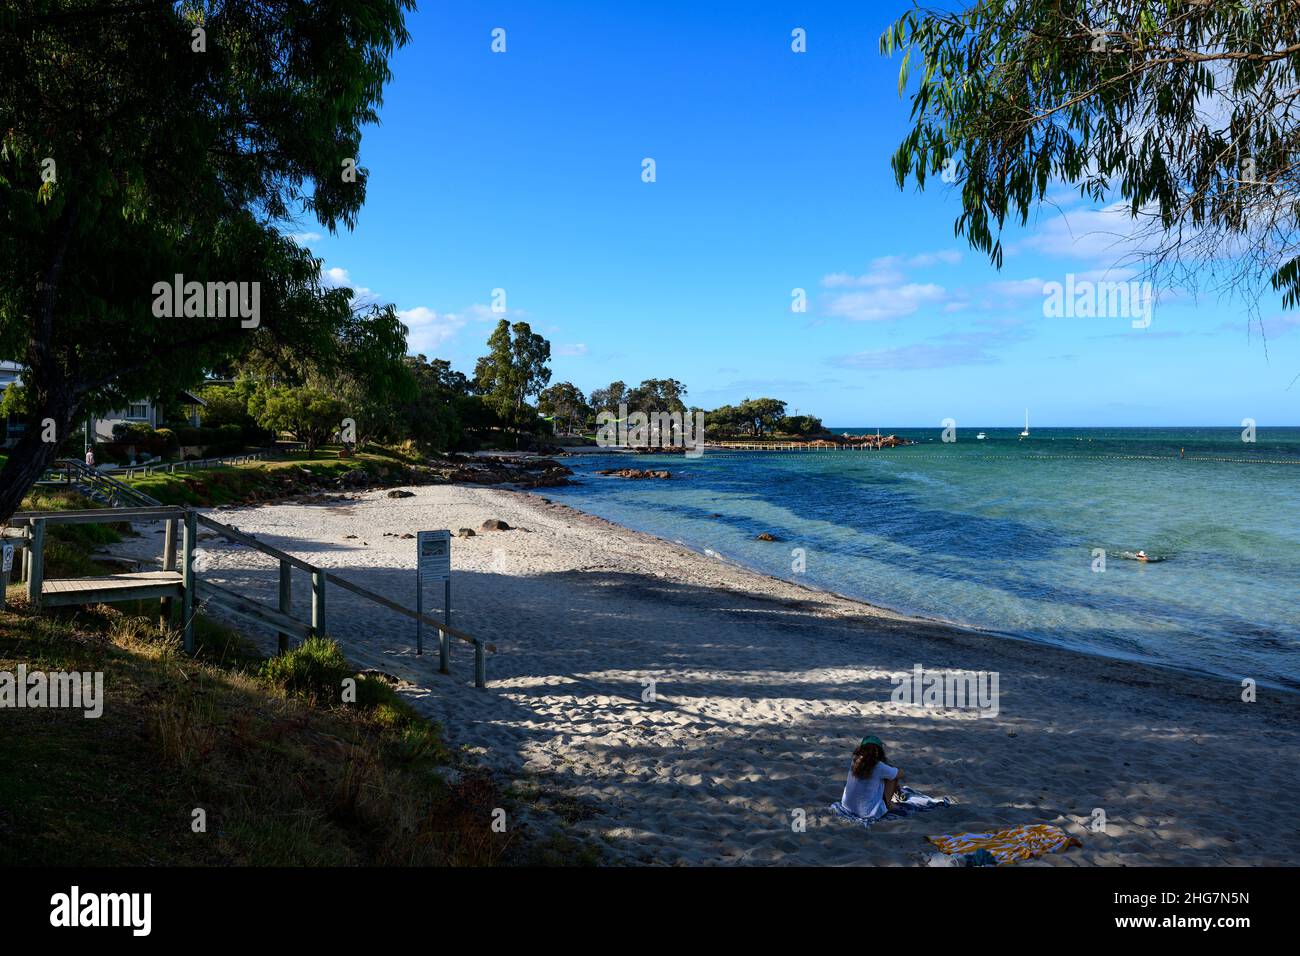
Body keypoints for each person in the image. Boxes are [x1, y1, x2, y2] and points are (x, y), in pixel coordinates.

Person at [840, 735, 903, 821]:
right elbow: (900, 774)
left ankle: (891, 799)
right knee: (893, 777)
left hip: (847, 806)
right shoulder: (879, 766)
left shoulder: (854, 761)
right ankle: (889, 804)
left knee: (887, 774)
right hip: (868, 813)